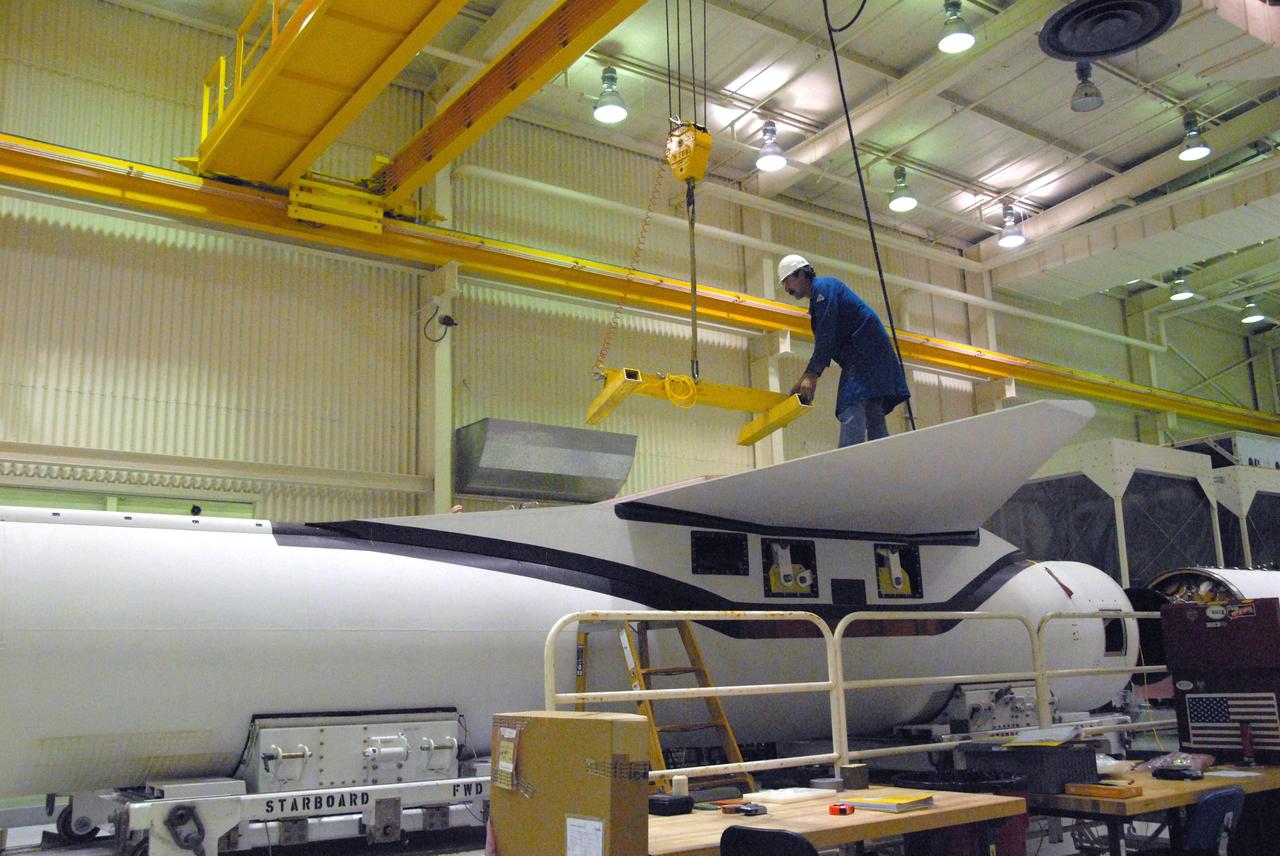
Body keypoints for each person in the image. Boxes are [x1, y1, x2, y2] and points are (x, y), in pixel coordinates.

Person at [778, 254, 910, 447]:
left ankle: (848, 461)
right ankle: (883, 460)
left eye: (787, 281)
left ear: (800, 274)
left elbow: (826, 335)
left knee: (850, 402)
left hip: (864, 352)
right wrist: (804, 378)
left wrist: (811, 375)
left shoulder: (823, 288)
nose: (786, 288)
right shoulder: (822, 293)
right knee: (872, 407)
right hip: (872, 352)